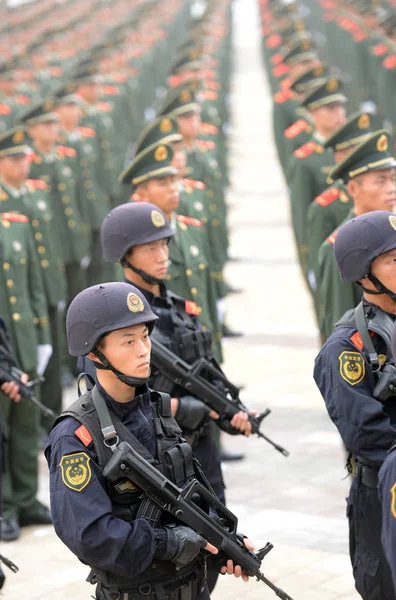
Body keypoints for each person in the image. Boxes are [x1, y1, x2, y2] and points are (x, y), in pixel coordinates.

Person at [45, 282, 254, 600]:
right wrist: (168, 543)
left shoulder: (156, 407)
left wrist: (221, 540)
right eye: (128, 341)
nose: (144, 350)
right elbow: (92, 536)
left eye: (145, 337)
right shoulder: (75, 436)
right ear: (93, 352)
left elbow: (188, 492)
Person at [314, 210, 396, 600]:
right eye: (393, 259)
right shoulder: (346, 348)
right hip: (383, 497)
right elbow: (367, 435)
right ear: (365, 274)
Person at [317, 129, 396, 341]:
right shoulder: (339, 247)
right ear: (353, 189)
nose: (391, 189)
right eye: (381, 181)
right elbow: (340, 327)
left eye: (392, 179)